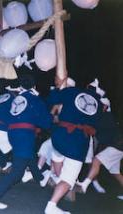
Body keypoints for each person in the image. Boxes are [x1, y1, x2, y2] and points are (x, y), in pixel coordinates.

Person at [0, 74, 52, 209]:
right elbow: (46, 122)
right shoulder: (34, 99)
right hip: (24, 135)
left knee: (28, 155)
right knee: (18, 172)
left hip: (13, 134)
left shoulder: (15, 98)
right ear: (34, 87)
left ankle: (40, 178)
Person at [44, 78, 102, 214]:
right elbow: (96, 125)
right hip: (77, 143)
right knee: (68, 179)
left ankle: (55, 176)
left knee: (58, 155)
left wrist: (58, 88)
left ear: (86, 86)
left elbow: (51, 100)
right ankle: (51, 206)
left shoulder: (72, 91)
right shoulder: (99, 104)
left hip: (60, 137)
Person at [77, 96, 123, 200]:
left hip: (117, 146)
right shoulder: (103, 116)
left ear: (106, 106)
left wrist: (82, 126)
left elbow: (93, 131)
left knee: (96, 160)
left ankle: (84, 185)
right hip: (118, 146)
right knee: (115, 173)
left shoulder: (106, 116)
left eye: (101, 105)